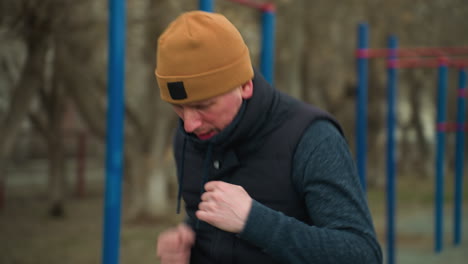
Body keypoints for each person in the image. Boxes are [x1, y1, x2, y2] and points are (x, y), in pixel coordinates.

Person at [155, 10, 382, 264]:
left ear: (245, 85)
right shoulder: (189, 138)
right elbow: (213, 221)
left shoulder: (313, 139)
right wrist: (187, 242)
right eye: (178, 106)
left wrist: (254, 221)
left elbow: (361, 254)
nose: (189, 124)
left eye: (204, 106)